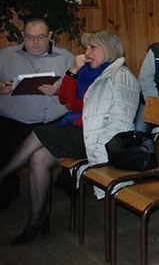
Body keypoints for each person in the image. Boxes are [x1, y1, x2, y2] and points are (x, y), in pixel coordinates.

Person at [0, 30, 139, 244]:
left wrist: (76, 106)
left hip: (98, 137)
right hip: (77, 128)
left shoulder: (121, 76)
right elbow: (65, 98)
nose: (87, 52)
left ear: (108, 48)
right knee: (38, 159)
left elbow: (118, 118)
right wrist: (73, 70)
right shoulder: (85, 71)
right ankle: (37, 219)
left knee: (39, 132)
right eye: (86, 48)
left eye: (93, 47)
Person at [0, 19, 75, 209]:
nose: (35, 42)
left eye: (40, 37)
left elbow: (81, 87)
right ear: (22, 36)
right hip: (15, 120)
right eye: (30, 37)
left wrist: (60, 90)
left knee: (73, 132)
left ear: (50, 36)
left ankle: (67, 180)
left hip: (56, 120)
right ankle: (7, 187)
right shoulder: (5, 56)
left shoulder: (66, 57)